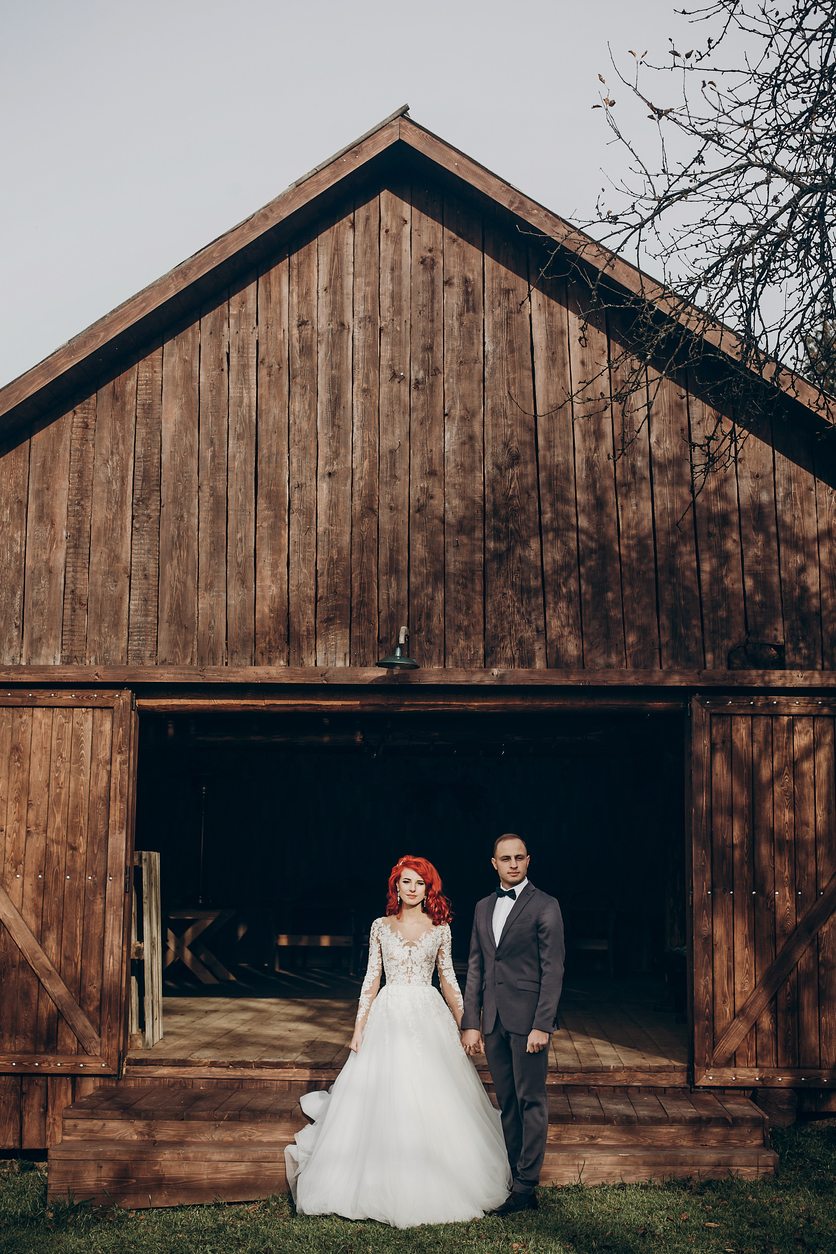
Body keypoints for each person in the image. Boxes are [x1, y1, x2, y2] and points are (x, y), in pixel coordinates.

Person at [285, 856, 511, 1228]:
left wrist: (468, 1024)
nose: (411, 888)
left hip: (427, 1012)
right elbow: (372, 979)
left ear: (428, 889)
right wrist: (358, 1028)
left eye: (419, 883)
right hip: (388, 1015)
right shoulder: (380, 926)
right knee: (384, 1090)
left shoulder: (440, 928)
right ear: (396, 886)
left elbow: (449, 980)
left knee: (433, 1089)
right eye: (405, 882)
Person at [461, 834, 564, 1215]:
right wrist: (471, 1021)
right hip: (493, 1022)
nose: (513, 864)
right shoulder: (483, 906)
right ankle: (516, 1176)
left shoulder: (545, 905)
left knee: (530, 1099)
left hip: (528, 1021)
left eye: (519, 858)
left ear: (528, 860)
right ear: (494, 864)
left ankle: (525, 1187)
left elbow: (554, 969)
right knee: (507, 1102)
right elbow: (476, 965)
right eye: (506, 859)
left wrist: (543, 1024)